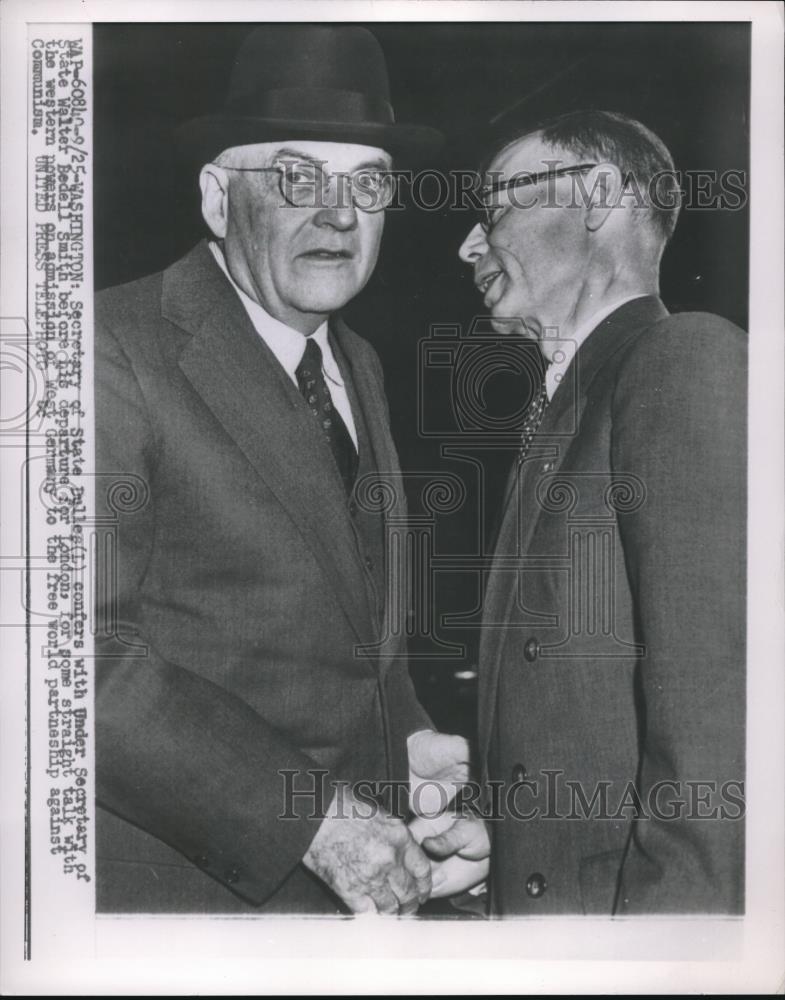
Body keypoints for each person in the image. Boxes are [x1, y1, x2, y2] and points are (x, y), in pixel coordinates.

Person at [93, 23, 471, 916]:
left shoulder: (361, 365)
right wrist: (316, 827)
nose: (338, 212)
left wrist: (403, 740)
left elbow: (349, 637)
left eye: (366, 182)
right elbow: (70, 663)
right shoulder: (111, 349)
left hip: (349, 903)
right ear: (219, 200)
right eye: (297, 177)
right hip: (187, 906)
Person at [443, 109, 746, 914]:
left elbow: (724, 720)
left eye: (495, 204)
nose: (469, 245)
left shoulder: (684, 359)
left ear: (599, 195)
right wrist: (506, 845)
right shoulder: (567, 409)